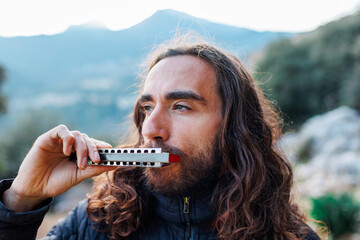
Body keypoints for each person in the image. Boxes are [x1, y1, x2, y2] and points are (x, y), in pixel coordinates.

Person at [0, 37, 321, 240]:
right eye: (147, 107)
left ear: (234, 127)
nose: (151, 128)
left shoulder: (288, 236)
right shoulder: (94, 224)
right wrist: (21, 199)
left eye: (181, 106)